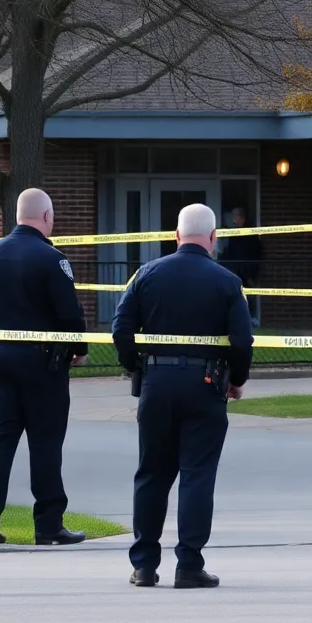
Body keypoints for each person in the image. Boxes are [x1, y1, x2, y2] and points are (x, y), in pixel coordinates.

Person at [112, 202, 254, 589]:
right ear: (213, 238)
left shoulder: (146, 274)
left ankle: (143, 565)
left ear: (175, 235)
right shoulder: (227, 282)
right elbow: (242, 340)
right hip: (205, 386)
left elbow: (120, 329)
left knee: (152, 474)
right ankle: (189, 564)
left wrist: (135, 366)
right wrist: (236, 379)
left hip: (156, 385)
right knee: (196, 475)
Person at [0, 187, 90, 545]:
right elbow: (70, 313)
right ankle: (49, 525)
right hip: (41, 361)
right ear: (47, 217)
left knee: (0, 439)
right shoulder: (52, 258)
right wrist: (79, 349)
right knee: (45, 441)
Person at [218, 206, 263, 325]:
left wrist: (252, 275)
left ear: (242, 218)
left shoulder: (250, 235)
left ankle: (252, 319)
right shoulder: (234, 235)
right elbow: (230, 253)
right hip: (235, 272)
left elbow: (256, 254)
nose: (233, 220)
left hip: (247, 273)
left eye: (235, 216)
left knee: (249, 296)